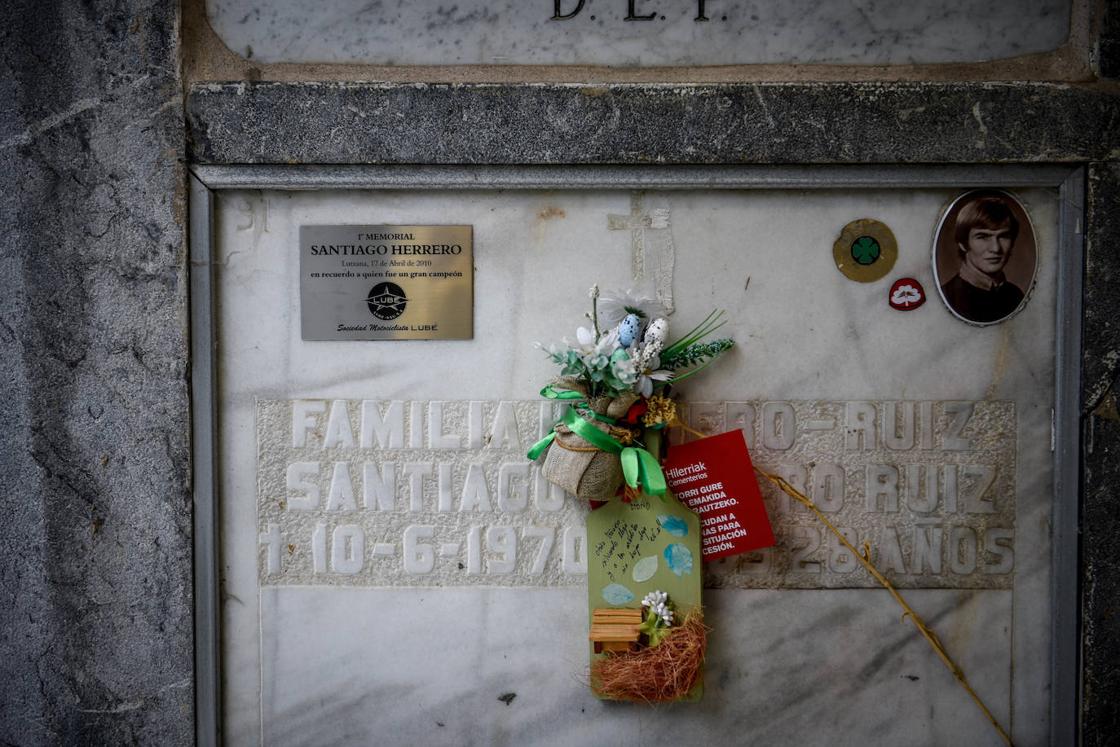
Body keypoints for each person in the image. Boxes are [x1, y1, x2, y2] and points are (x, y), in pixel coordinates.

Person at [939, 195, 1025, 323]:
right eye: (983, 236)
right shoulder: (947, 297)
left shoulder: (1016, 295)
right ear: (963, 243)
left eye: (1003, 236)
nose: (995, 248)